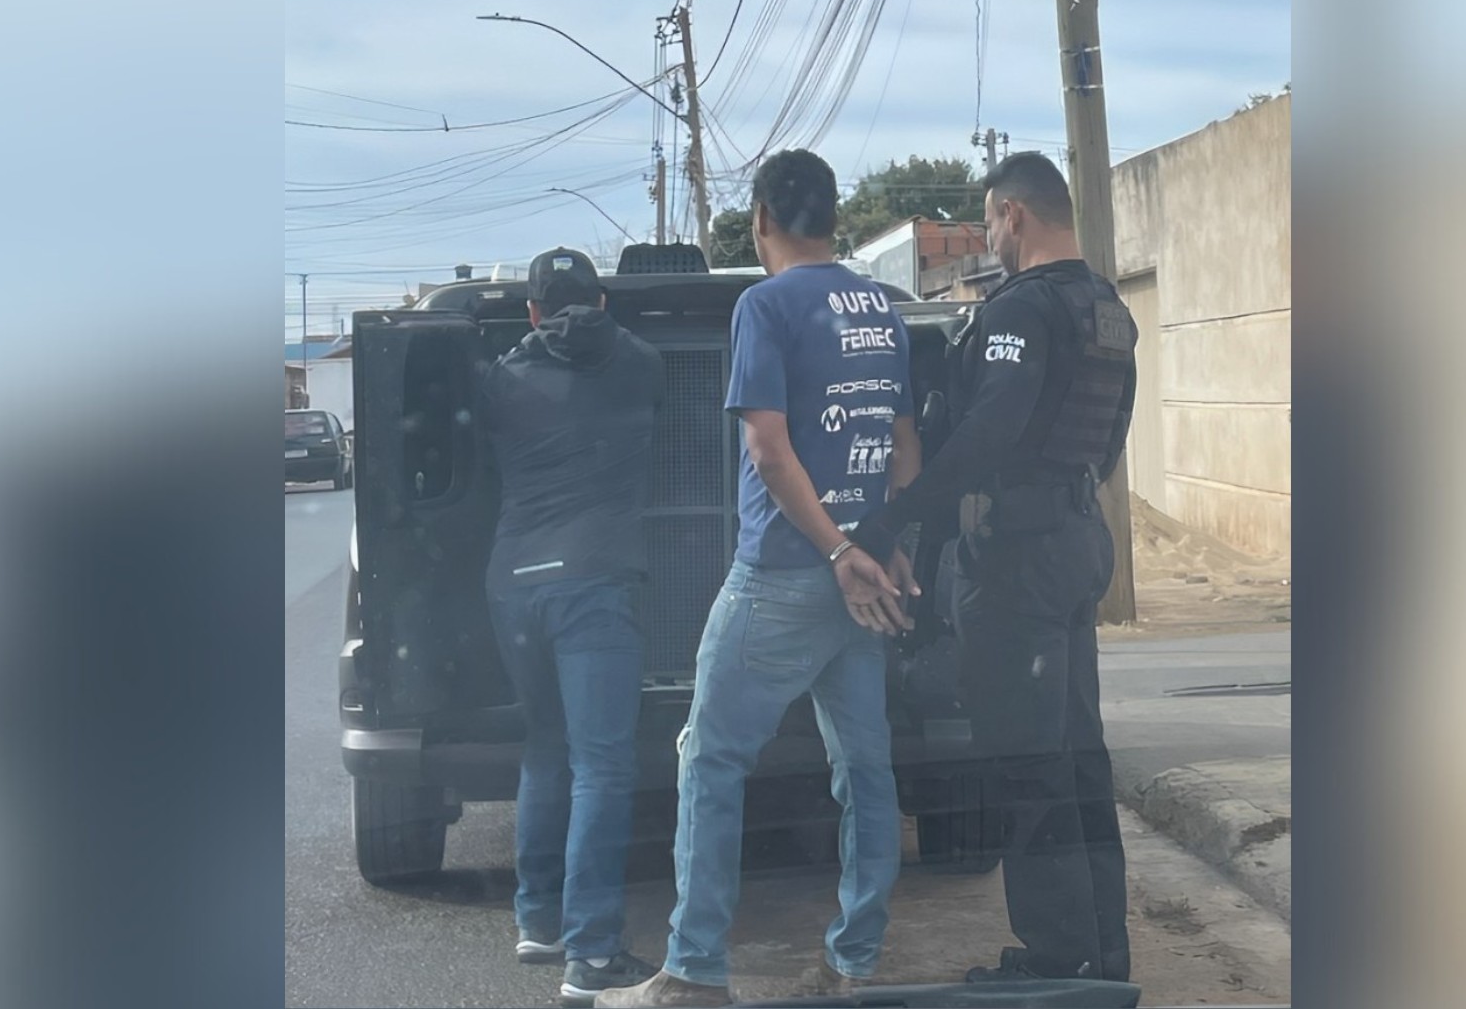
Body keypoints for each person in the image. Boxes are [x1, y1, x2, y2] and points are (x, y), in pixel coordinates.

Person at [597, 150, 920, 1009]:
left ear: (762, 221)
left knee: (709, 760)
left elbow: (769, 451)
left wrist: (832, 553)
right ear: (837, 217)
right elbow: (901, 443)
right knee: (865, 768)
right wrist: (883, 546)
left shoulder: (764, 305)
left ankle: (694, 972)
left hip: (787, 570)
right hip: (862, 575)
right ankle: (854, 963)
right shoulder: (881, 310)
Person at [848, 152, 1140, 985]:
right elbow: (1109, 441)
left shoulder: (1022, 313)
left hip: (1017, 553)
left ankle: (1055, 957)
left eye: (989, 220)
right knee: (1079, 751)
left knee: (1026, 757)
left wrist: (897, 515)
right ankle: (1100, 947)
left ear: (1014, 215)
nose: (990, 237)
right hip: (1076, 538)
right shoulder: (1106, 309)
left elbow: (987, 435)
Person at [480, 247, 666, 1006]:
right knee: (602, 764)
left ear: (530, 311)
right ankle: (591, 955)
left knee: (545, 743)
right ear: (603, 302)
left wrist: (526, 344)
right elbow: (625, 361)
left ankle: (539, 921)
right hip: (591, 581)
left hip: (513, 585)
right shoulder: (640, 365)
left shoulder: (500, 378)